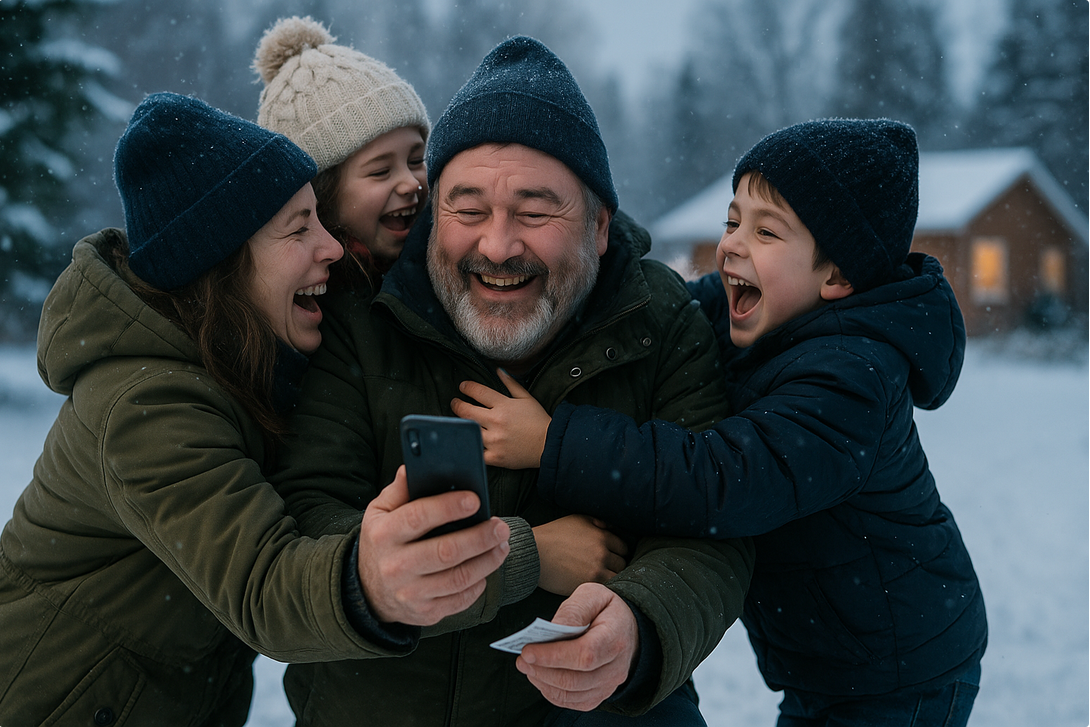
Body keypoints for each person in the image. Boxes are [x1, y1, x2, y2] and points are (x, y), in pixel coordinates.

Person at [271, 36, 755, 726]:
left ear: (599, 225)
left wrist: (642, 622)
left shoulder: (662, 320)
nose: (498, 246)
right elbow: (309, 521)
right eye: (468, 210)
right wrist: (507, 555)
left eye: (534, 211)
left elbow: (709, 530)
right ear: (433, 213)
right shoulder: (359, 316)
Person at [455, 119, 988, 727]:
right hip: (831, 657)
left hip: (900, 674)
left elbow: (722, 479)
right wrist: (587, 257)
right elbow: (662, 306)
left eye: (766, 232)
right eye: (733, 221)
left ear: (836, 276)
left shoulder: (851, 379)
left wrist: (554, 443)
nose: (732, 243)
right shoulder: (763, 317)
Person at [0, 93, 510, 726]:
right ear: (221, 263)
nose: (330, 248)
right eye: (299, 228)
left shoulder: (243, 365)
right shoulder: (145, 405)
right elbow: (265, 585)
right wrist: (376, 582)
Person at [254, 15, 430, 284]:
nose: (410, 183)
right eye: (381, 171)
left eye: (416, 160)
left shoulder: (435, 271)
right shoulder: (317, 301)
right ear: (321, 195)